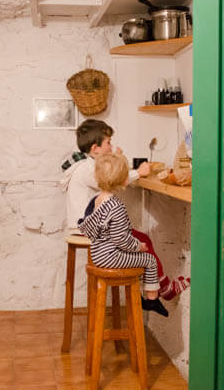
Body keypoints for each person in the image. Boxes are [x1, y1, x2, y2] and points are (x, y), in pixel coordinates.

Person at [60, 119, 190, 301]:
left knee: (141, 238)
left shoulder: (85, 165)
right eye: (108, 143)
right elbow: (112, 180)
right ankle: (162, 288)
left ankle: (154, 287)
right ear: (96, 148)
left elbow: (111, 175)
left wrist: (118, 159)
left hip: (85, 227)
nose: (111, 146)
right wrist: (140, 172)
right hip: (88, 230)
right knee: (142, 240)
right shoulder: (87, 168)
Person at [77, 153, 168, 317]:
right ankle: (152, 299)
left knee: (140, 258)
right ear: (124, 180)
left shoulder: (97, 200)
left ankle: (143, 294)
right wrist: (138, 246)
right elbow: (121, 239)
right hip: (111, 257)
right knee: (150, 260)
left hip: (98, 254)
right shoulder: (116, 206)